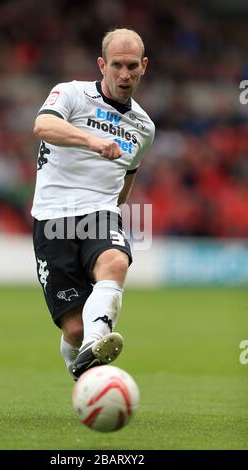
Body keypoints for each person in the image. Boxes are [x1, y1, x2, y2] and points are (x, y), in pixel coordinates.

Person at [32, 28, 155, 380]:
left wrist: (114, 211)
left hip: (100, 213)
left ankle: (98, 338)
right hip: (53, 216)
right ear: (102, 64)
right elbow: (42, 125)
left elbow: (128, 175)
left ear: (144, 66)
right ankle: (85, 356)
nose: (124, 74)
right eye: (117, 65)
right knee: (73, 330)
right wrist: (91, 140)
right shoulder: (70, 93)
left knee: (115, 260)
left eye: (132, 66)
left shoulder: (144, 127)